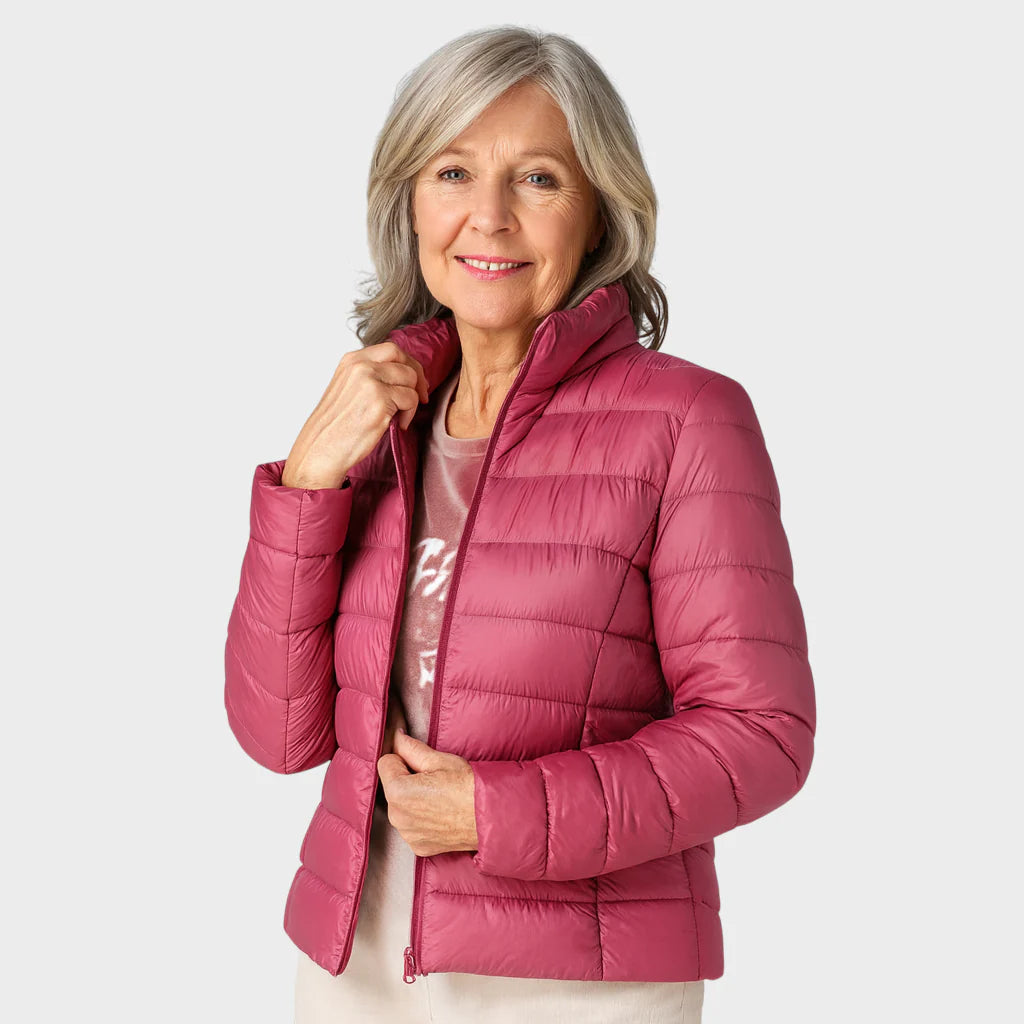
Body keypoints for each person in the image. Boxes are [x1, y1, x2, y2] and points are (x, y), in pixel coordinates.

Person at [223, 25, 816, 1024]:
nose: (488, 217)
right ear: (410, 201)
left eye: (538, 179)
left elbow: (763, 736)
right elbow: (280, 736)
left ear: (598, 211)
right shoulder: (378, 421)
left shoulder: (686, 420)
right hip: (354, 958)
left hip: (579, 983)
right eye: (452, 172)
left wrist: (495, 814)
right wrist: (308, 480)